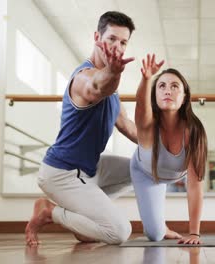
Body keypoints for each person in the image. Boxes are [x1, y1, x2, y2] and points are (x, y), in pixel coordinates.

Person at [25, 11, 137, 246]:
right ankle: (49, 211)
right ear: (97, 37)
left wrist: (166, 146)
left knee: (143, 168)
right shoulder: (83, 77)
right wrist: (115, 72)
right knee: (119, 232)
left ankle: (83, 218)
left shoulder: (113, 89)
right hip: (61, 173)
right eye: (111, 39)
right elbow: (97, 87)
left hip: (89, 169)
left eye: (123, 42)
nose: (118, 47)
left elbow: (127, 126)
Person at [130, 54, 208, 244]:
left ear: (184, 97)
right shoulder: (148, 124)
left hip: (170, 175)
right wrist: (147, 79)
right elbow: (141, 107)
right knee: (155, 236)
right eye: (162, 86)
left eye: (175, 86)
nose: (168, 91)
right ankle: (161, 227)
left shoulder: (193, 131)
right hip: (144, 172)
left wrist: (194, 233)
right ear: (154, 95)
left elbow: (194, 184)